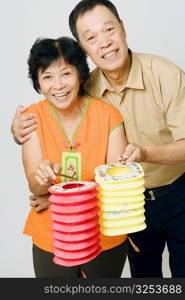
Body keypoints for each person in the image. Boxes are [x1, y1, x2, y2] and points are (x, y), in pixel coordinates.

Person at [11, 0, 185, 278]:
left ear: (123, 28)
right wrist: (16, 130)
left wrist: (143, 153)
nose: (104, 42)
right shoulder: (82, 87)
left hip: (175, 192)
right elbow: (52, 110)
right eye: (91, 37)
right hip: (125, 204)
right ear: (84, 49)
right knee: (144, 280)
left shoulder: (164, 74)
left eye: (109, 30)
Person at [19, 35, 132, 278]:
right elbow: (36, 188)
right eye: (47, 76)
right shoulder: (31, 118)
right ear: (38, 82)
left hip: (104, 232)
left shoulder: (109, 116)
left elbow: (116, 188)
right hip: (51, 233)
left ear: (80, 74)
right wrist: (41, 178)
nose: (57, 85)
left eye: (65, 73)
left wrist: (63, 203)